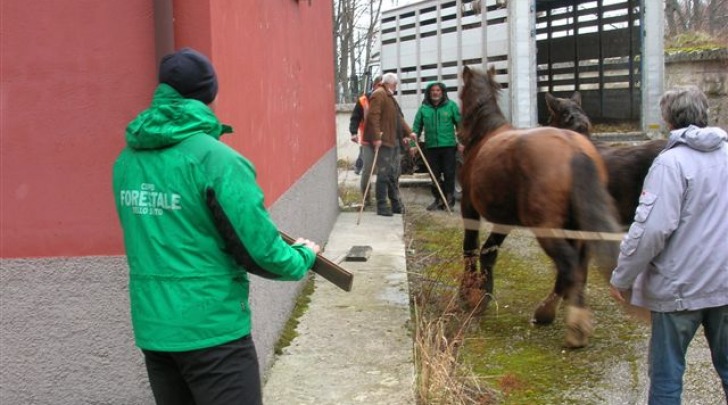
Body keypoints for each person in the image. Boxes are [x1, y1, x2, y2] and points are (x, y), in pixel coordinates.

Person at [112, 47, 320, 405]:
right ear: (210, 95)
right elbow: (260, 251)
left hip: (155, 330)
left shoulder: (127, 160)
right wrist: (303, 256)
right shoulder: (216, 159)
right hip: (213, 333)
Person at [609, 86, 728, 405]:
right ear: (706, 114)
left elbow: (651, 230)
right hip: (725, 286)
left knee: (666, 376)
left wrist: (622, 276)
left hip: (679, 291)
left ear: (668, 121)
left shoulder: (670, 164)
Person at [363, 72, 413, 216]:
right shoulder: (379, 94)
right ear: (390, 83)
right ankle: (382, 205)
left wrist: (410, 132)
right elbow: (373, 117)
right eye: (395, 84)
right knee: (384, 174)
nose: (396, 87)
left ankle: (395, 205)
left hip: (391, 141)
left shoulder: (389, 97)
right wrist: (377, 137)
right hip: (384, 141)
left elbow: (398, 118)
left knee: (391, 174)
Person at [410, 81, 462, 211]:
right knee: (434, 174)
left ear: (442, 92)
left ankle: (449, 200)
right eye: (433, 90)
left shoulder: (451, 106)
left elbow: (460, 125)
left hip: (448, 146)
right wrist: (413, 144)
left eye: (438, 90)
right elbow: (415, 128)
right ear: (429, 93)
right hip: (431, 146)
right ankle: (438, 199)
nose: (435, 93)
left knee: (449, 173)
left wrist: (462, 142)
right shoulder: (423, 109)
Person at [348, 76, 382, 206]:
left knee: (383, 171)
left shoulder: (388, 99)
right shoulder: (363, 101)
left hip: (384, 141)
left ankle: (381, 199)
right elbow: (355, 118)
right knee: (367, 170)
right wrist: (353, 132)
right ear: (374, 86)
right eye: (379, 85)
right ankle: (366, 198)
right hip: (367, 141)